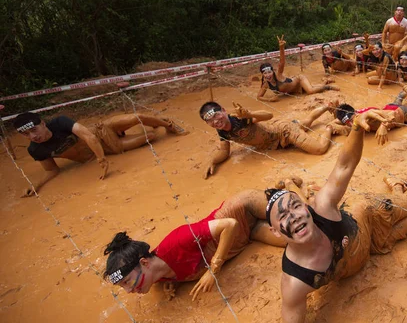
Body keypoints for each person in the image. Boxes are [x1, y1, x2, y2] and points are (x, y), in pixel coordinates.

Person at [265, 110, 407, 322]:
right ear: (275, 232)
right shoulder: (295, 281)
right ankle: (396, 184)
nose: (294, 216)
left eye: (295, 206)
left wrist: (357, 128)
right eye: (284, 216)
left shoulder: (322, 208)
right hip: (368, 252)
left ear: (306, 206)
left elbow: (344, 166)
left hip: (367, 217)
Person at [103, 189, 287, 300]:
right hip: (246, 237)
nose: (128, 291)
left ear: (144, 263)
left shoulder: (176, 242)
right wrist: (174, 283)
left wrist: (212, 270)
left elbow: (230, 224)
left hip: (241, 209)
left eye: (127, 282)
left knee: (304, 219)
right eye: (122, 287)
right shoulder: (154, 278)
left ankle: (287, 186)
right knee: (290, 241)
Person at [13, 111, 187, 197]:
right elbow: (52, 170)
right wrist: (35, 184)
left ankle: (168, 125)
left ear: (43, 123)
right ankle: (153, 126)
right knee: (150, 137)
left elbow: (88, 135)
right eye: (26, 135)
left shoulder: (59, 122)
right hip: (111, 148)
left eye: (34, 130)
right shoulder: (35, 150)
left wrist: (101, 159)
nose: (33, 136)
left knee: (136, 117)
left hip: (101, 131)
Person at [199, 102, 336, 179]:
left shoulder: (239, 118)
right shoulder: (222, 130)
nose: (215, 121)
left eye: (216, 115)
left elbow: (268, 115)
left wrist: (249, 114)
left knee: (319, 149)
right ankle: (327, 105)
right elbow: (224, 151)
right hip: (273, 144)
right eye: (210, 120)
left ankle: (330, 127)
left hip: (284, 132)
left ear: (223, 110)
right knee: (305, 122)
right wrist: (213, 161)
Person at [257, 36, 339, 102]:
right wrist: (269, 100)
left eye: (269, 72)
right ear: (262, 75)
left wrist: (281, 48)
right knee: (313, 88)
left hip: (299, 80)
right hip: (295, 91)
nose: (268, 75)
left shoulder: (278, 76)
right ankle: (325, 81)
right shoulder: (266, 84)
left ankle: (329, 87)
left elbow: (282, 62)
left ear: (273, 71)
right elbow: (259, 97)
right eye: (265, 73)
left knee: (310, 91)